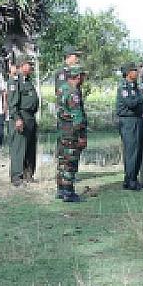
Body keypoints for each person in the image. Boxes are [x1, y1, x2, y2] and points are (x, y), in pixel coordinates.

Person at [56, 65, 88, 203]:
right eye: (82, 76)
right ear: (78, 76)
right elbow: (77, 117)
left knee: (62, 160)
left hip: (62, 130)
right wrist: (81, 136)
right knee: (71, 161)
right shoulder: (73, 93)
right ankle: (68, 192)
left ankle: (61, 189)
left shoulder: (62, 89)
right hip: (72, 132)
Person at [8, 56, 40, 186]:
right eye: (28, 64)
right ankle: (17, 177)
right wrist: (17, 119)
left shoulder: (28, 81)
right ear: (21, 66)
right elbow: (12, 103)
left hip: (31, 118)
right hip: (21, 117)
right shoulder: (15, 81)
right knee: (19, 148)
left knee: (30, 148)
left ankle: (28, 174)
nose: (31, 67)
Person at [115, 63, 143, 191]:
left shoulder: (135, 86)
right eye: (134, 70)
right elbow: (131, 103)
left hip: (137, 119)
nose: (137, 72)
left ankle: (132, 179)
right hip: (128, 121)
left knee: (138, 150)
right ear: (128, 73)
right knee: (131, 150)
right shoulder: (124, 87)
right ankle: (130, 179)